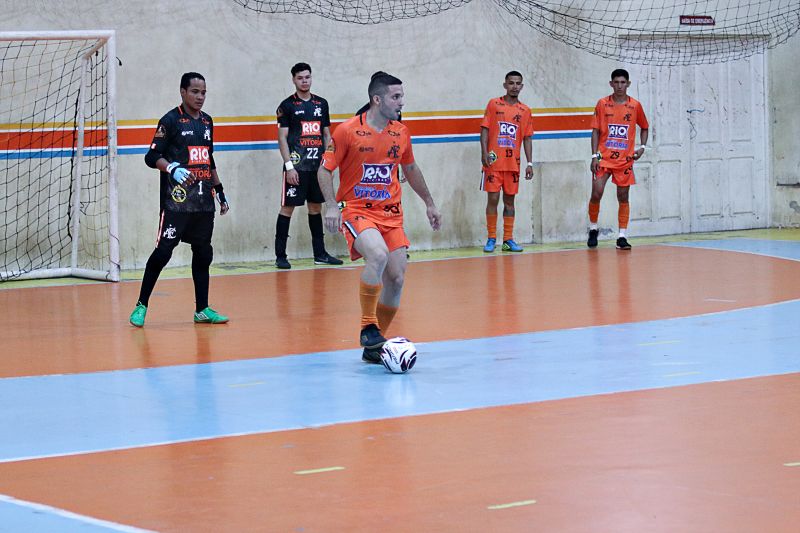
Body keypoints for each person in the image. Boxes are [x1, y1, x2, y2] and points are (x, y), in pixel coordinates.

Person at [318, 73, 442, 363]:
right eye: (395, 97)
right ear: (377, 99)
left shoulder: (401, 132)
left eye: (402, 96)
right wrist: (332, 206)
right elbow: (325, 170)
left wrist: (430, 204)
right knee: (377, 255)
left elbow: (410, 169)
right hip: (357, 210)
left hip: (391, 215)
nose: (401, 102)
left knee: (397, 278)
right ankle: (368, 327)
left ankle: (374, 347)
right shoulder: (347, 131)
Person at [129, 72, 230, 327]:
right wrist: (172, 167)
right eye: (195, 91)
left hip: (203, 202)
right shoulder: (170, 120)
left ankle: (202, 309)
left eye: (204, 92)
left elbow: (209, 158)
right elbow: (151, 157)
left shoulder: (208, 122)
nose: (200, 97)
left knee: (203, 253)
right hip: (177, 202)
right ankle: (141, 304)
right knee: (163, 252)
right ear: (183, 92)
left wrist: (219, 190)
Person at [274, 62, 342, 269]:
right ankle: (280, 256)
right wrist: (289, 166)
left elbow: (327, 135)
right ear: (293, 80)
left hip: (317, 167)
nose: (305, 81)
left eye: (307, 77)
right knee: (287, 208)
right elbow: (282, 138)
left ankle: (319, 254)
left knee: (315, 207)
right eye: (300, 78)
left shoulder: (322, 104)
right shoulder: (286, 106)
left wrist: (328, 164)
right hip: (296, 167)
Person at [587, 68, 649, 250]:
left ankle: (622, 236)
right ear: (611, 84)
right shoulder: (602, 103)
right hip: (603, 159)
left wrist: (642, 147)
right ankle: (593, 228)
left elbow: (645, 127)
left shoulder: (635, 106)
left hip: (624, 160)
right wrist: (594, 156)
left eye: (623, 82)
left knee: (623, 196)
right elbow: (595, 131)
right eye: (617, 82)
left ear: (628, 84)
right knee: (596, 192)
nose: (620, 86)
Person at [479, 70, 534, 253]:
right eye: (511, 83)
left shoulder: (525, 110)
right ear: (505, 85)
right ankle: (491, 238)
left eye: (518, 83)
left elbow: (527, 138)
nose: (514, 86)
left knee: (510, 202)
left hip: (513, 164)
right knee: (493, 199)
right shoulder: (494, 104)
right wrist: (484, 152)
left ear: (522, 86)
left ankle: (508, 240)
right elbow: (485, 130)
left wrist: (529, 163)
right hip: (494, 163)